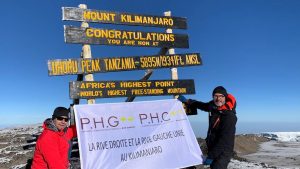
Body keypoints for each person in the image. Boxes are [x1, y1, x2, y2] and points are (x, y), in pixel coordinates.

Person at [178, 86, 237, 169]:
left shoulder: (229, 116)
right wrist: (188, 101)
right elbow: (202, 105)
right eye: (216, 96)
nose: (218, 99)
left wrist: (211, 156)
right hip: (213, 147)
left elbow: (224, 141)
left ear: (225, 97)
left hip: (223, 152)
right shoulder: (213, 107)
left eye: (221, 96)